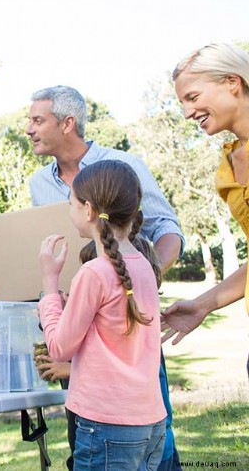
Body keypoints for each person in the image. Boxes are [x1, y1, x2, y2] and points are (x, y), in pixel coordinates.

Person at [26, 84, 183, 471]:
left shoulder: (122, 165)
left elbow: (169, 229)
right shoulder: (37, 183)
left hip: (114, 350)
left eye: (36, 120)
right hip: (106, 372)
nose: (28, 128)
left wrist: (122, 291)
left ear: (68, 123)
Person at [38, 160, 167, 471]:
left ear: (89, 210)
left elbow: (59, 348)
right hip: (151, 424)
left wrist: (49, 283)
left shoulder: (93, 272)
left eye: (71, 202)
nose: (70, 211)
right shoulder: (145, 266)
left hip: (107, 425)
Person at [163, 42, 249, 381]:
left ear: (232, 82)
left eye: (193, 98)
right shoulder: (228, 167)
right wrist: (203, 304)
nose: (186, 113)